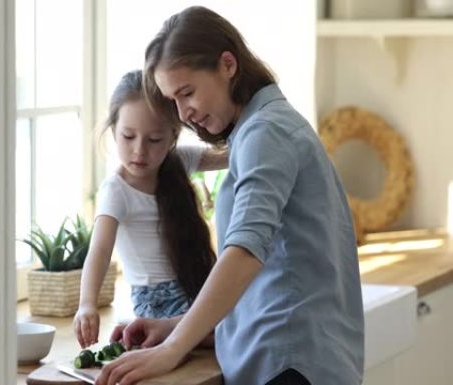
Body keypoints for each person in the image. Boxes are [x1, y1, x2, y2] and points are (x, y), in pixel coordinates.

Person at [96, 6, 364, 385]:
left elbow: (245, 253)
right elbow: (269, 283)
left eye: (186, 93)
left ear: (227, 65)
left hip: (288, 365)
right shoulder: (270, 126)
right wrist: (176, 327)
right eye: (173, 100)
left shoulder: (264, 134)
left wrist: (171, 350)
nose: (183, 113)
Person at [73, 69, 228, 348]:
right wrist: (87, 304)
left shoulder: (178, 161)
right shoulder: (116, 190)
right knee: (229, 334)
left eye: (154, 140)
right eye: (128, 136)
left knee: (246, 318)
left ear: (172, 137)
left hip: (196, 285)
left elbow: (233, 154)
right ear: (113, 131)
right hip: (156, 301)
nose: (139, 151)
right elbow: (99, 250)